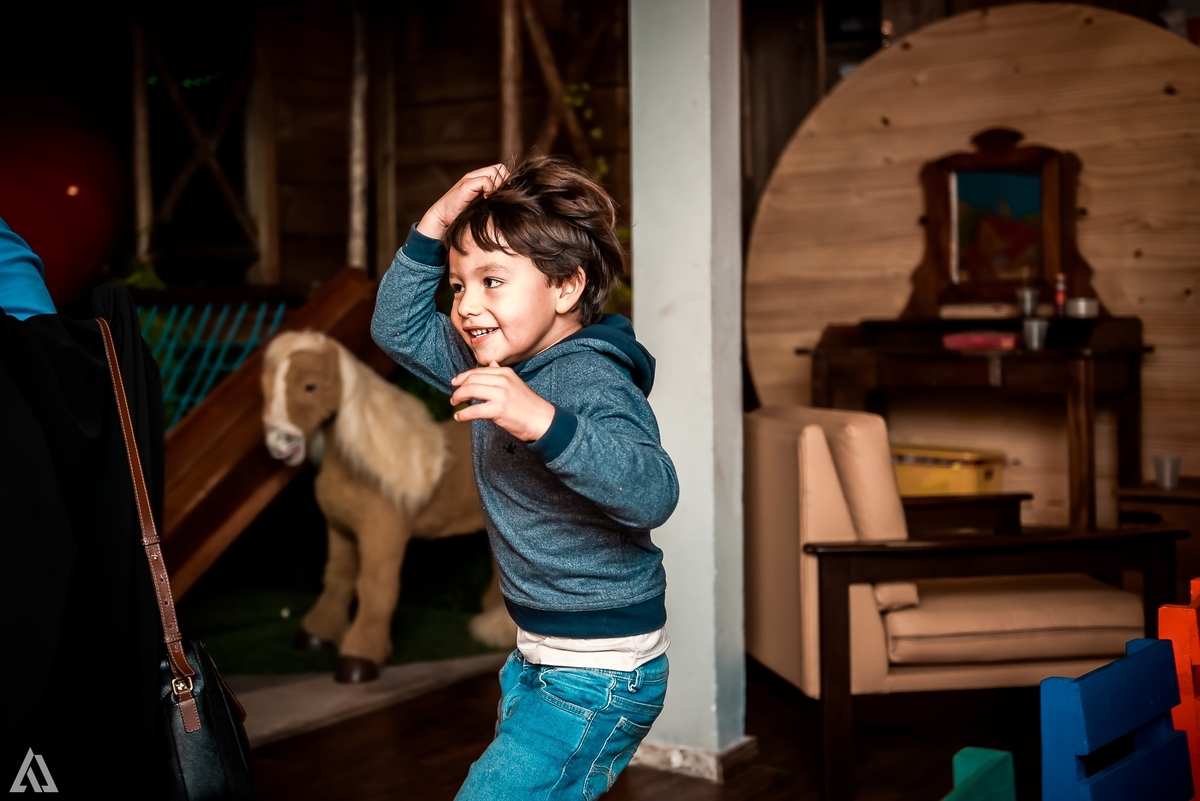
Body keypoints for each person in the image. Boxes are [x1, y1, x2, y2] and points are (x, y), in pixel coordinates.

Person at [371, 156, 678, 800]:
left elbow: (653, 492)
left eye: (491, 280)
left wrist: (540, 420)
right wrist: (434, 224)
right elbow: (394, 326)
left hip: (598, 671)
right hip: (536, 656)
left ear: (566, 287)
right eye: (457, 287)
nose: (466, 306)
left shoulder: (587, 377)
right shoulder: (496, 360)